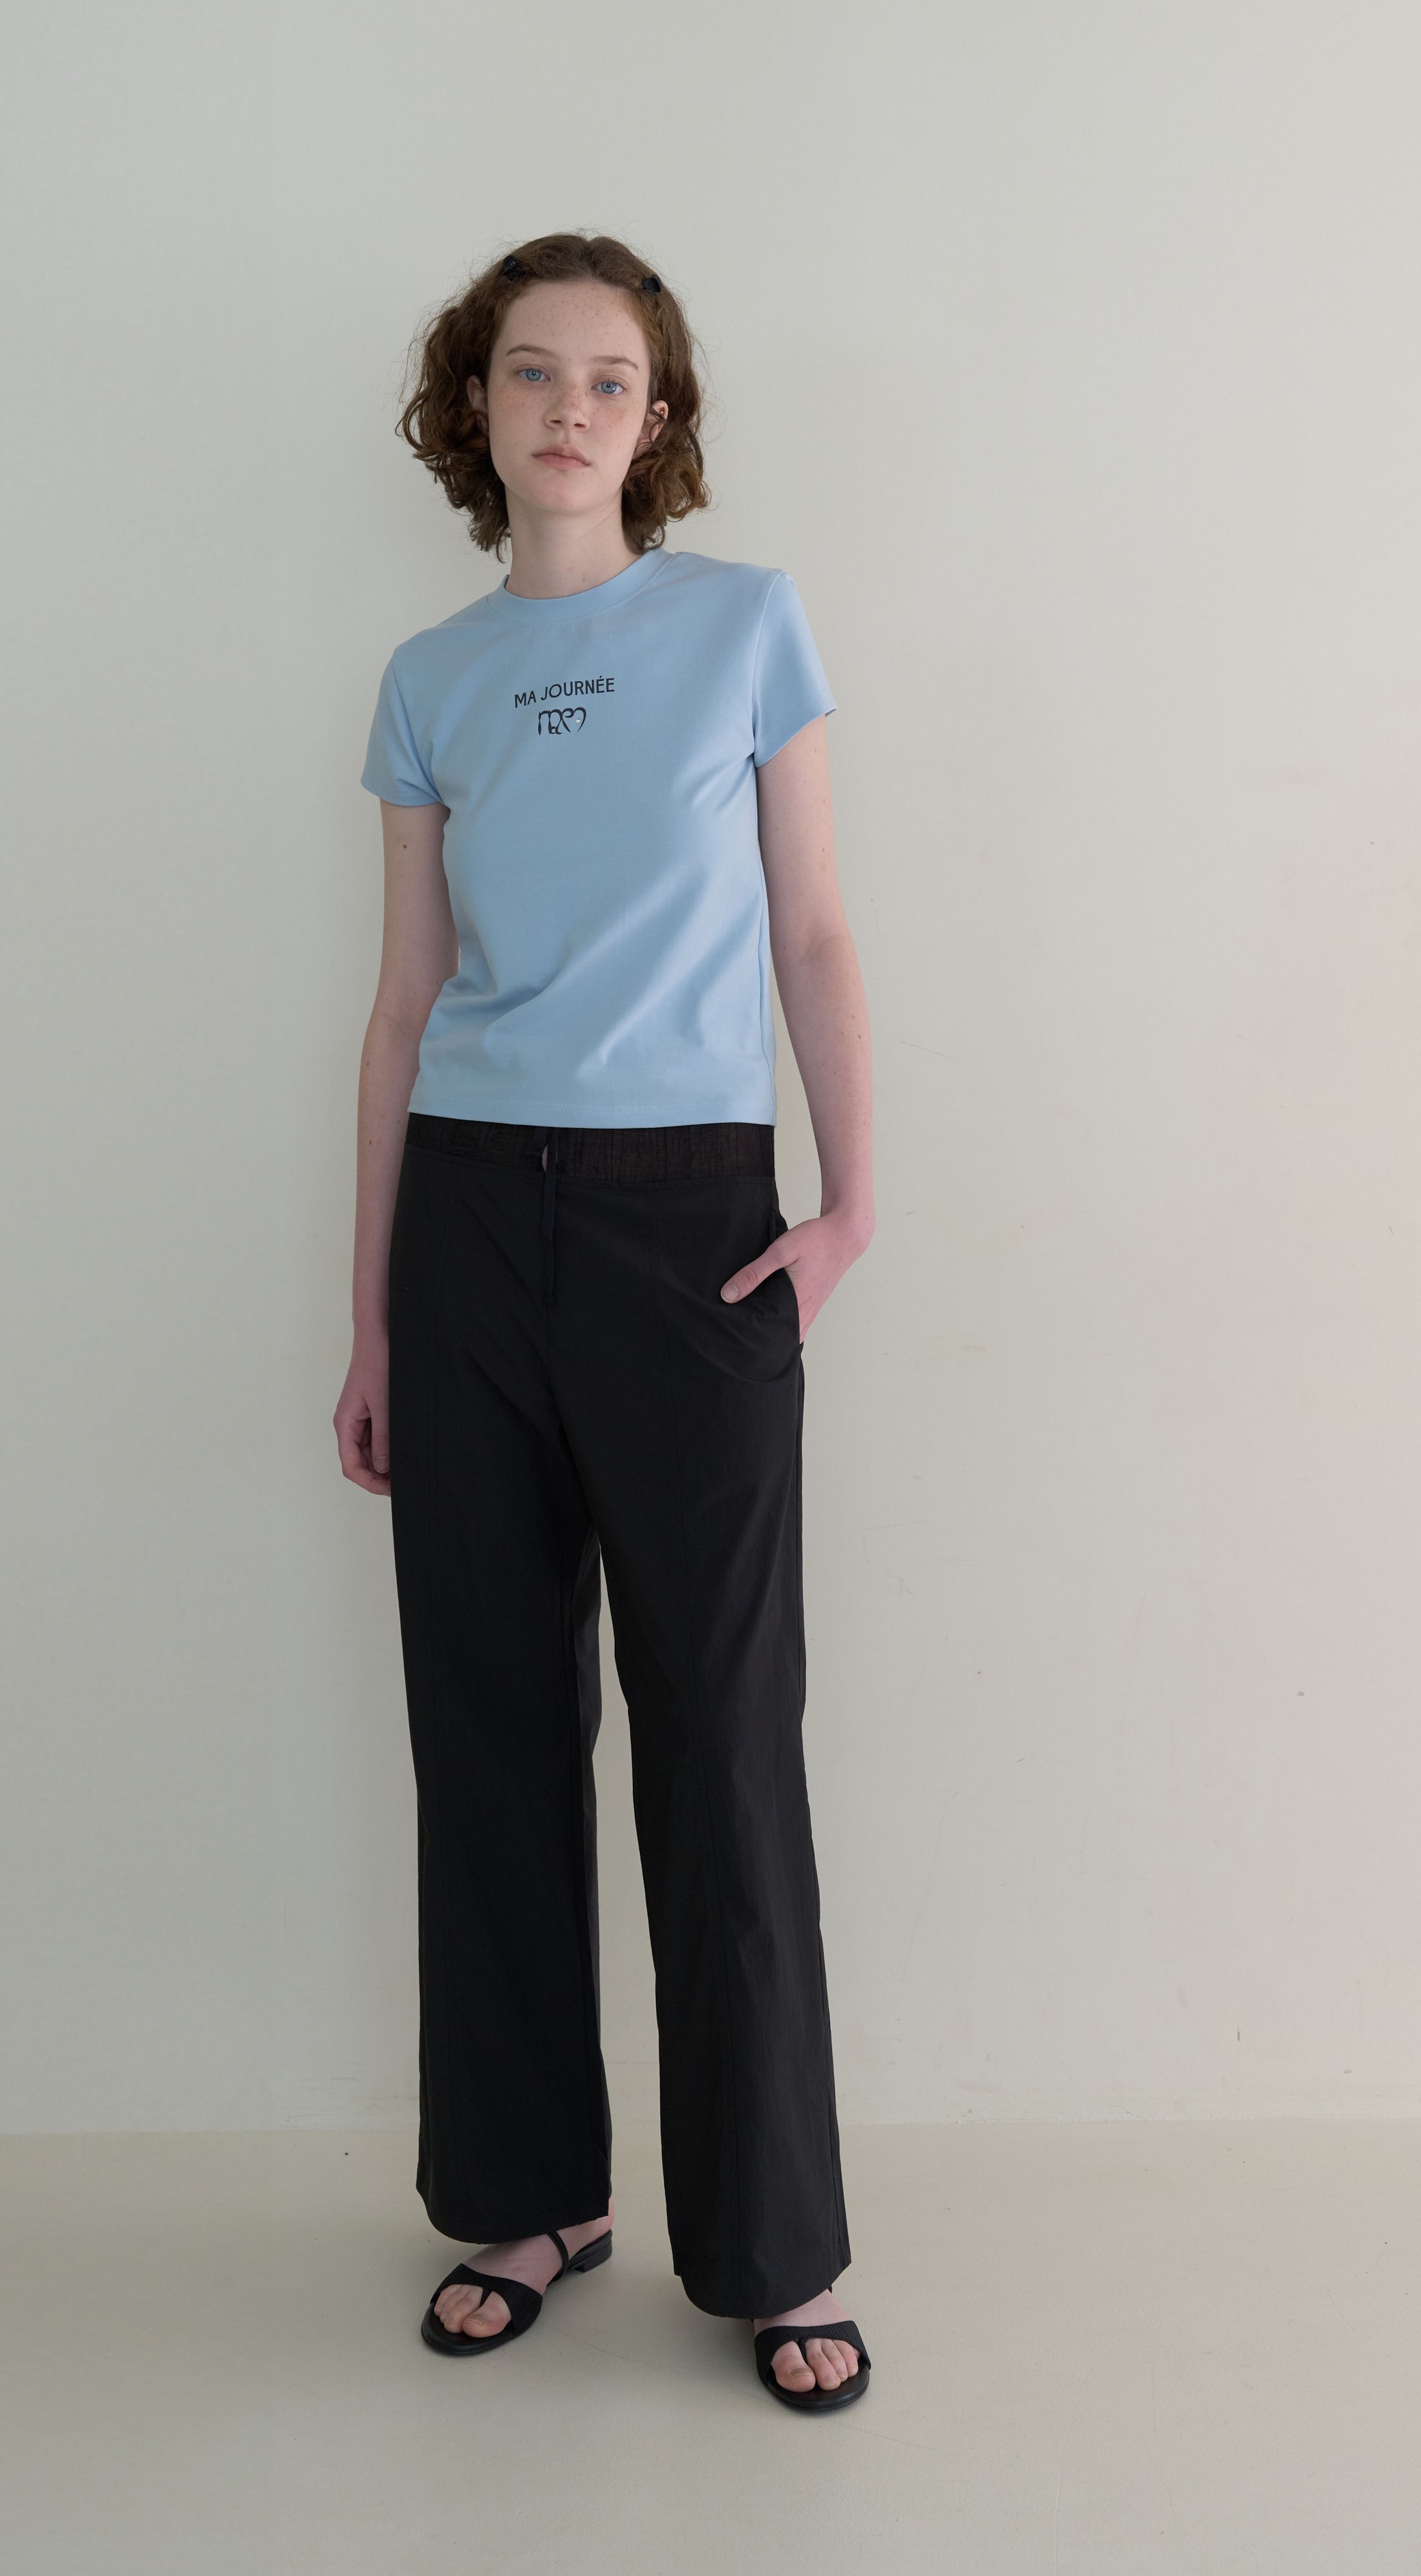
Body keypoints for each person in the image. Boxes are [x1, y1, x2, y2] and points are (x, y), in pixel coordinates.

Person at [332, 231, 877, 2411]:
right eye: (532, 373)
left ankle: (773, 2247)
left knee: (722, 1743)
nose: (571, 409)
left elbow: (814, 929)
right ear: (474, 407)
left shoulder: (744, 627)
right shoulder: (428, 679)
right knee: (484, 1727)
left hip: (689, 1226)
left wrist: (848, 1208)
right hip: (470, 1227)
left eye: (613, 381)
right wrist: (376, 1322)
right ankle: (528, 2196)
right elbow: (400, 1010)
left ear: (658, 424)